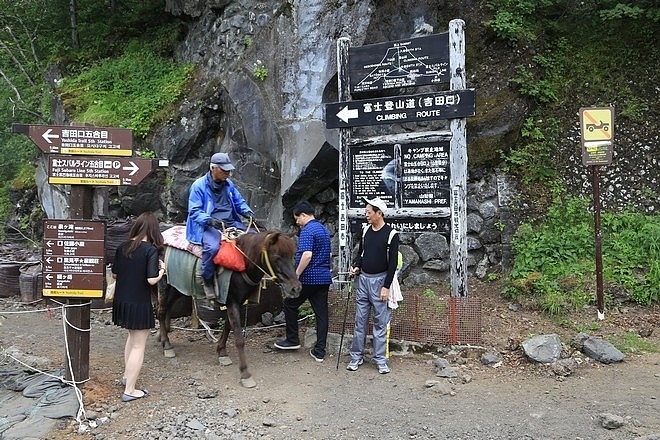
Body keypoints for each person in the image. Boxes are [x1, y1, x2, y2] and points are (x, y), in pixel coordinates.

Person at [185, 152, 255, 309]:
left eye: (228, 170)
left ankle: (248, 280)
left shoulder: (229, 184)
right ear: (213, 168)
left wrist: (248, 212)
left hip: (231, 222)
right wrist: (209, 220)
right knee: (213, 248)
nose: (227, 173)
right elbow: (194, 211)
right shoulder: (198, 186)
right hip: (208, 225)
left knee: (254, 239)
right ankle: (207, 279)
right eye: (224, 170)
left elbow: (239, 202)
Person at [112, 211, 165, 401]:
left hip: (122, 301)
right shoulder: (150, 250)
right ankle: (130, 390)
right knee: (139, 345)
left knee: (131, 338)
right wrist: (162, 271)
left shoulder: (122, 247)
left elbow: (115, 275)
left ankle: (127, 377)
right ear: (152, 230)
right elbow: (151, 280)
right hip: (139, 302)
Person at [274, 201, 332, 362]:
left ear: (304, 215)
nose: (297, 222)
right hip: (324, 277)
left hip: (309, 278)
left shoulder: (307, 230)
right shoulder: (323, 230)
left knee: (290, 304)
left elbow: (307, 255)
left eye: (297, 219)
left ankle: (292, 340)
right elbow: (327, 255)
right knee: (321, 314)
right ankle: (319, 351)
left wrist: (297, 274)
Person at [347, 197, 399, 374]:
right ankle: (356, 356)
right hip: (363, 280)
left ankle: (380, 359)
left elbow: (392, 264)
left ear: (379, 213)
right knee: (359, 321)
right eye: (366, 212)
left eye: (369, 212)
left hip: (380, 281)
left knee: (380, 322)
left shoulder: (392, 234)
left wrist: (386, 286)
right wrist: (356, 266)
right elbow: (361, 253)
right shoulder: (365, 231)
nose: (366, 215)